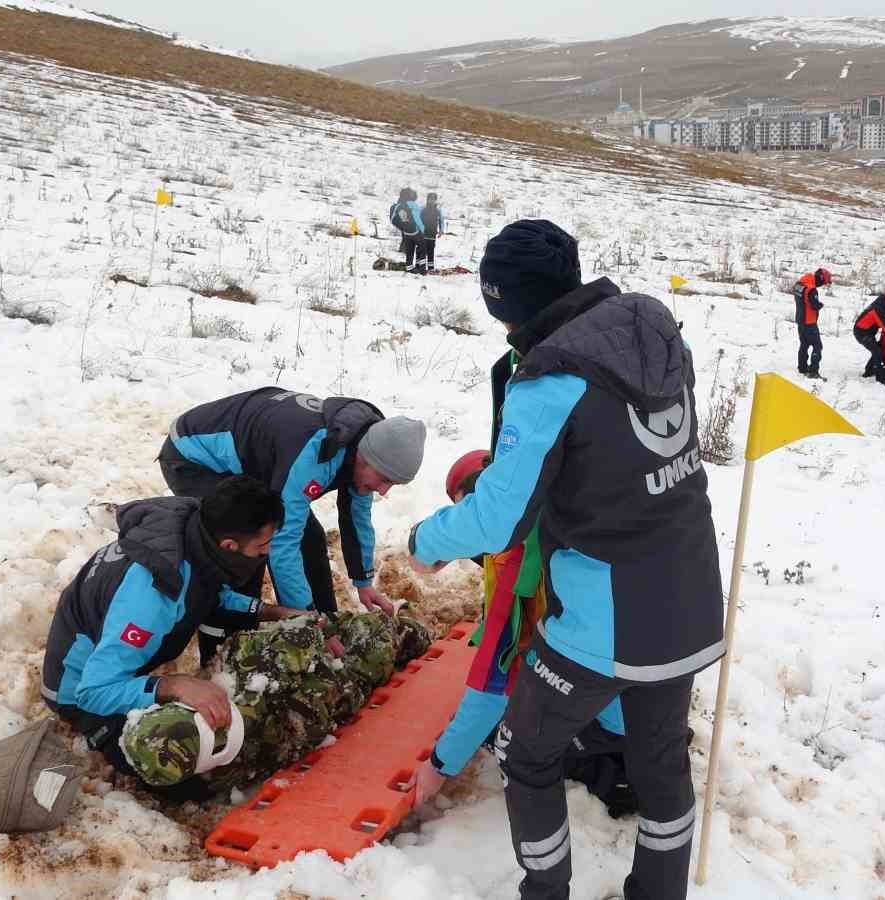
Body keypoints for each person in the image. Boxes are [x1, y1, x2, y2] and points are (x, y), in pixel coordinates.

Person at [408, 219, 723, 900]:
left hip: (608, 616)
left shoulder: (549, 378)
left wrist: (425, 543)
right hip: (693, 593)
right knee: (662, 763)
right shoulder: (653, 325)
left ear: (502, 303)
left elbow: (499, 518)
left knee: (525, 751)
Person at [39, 477, 299, 798]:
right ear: (229, 546)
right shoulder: (151, 594)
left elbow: (207, 594)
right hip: (77, 691)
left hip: (115, 662)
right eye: (262, 547)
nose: (268, 552)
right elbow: (93, 691)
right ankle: (108, 737)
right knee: (186, 769)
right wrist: (172, 686)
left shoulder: (194, 532)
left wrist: (267, 611)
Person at [410, 451, 635, 817]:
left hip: (617, 726)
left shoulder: (519, 569)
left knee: (504, 733)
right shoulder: (561, 513)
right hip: (654, 688)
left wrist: (439, 765)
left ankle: (614, 768)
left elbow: (496, 681)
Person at [158, 388, 426, 616]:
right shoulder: (313, 453)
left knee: (311, 540)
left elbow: (357, 520)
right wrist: (302, 616)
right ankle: (224, 645)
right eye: (384, 480)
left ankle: (328, 621)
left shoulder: (364, 445)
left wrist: (363, 581)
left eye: (392, 484)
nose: (383, 491)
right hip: (194, 458)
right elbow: (282, 543)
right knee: (247, 546)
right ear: (365, 457)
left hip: (253, 465)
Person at [119, 609, 435, 791]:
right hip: (338, 687)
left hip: (328, 675)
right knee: (379, 645)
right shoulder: (223, 754)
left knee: (378, 638)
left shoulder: (253, 669)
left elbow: (301, 633)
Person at [853, 290, 885, 385]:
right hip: (861, 332)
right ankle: (879, 377)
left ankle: (868, 371)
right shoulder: (878, 310)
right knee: (877, 351)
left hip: (868, 331)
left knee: (878, 349)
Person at [792, 267, 831, 379]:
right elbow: (814, 305)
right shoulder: (811, 289)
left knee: (804, 344)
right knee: (817, 346)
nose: (822, 285)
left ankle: (802, 367)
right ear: (821, 278)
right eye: (824, 282)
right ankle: (813, 371)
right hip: (809, 322)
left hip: (800, 320)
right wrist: (820, 305)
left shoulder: (800, 284)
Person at [389, 188, 424, 271]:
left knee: (407, 237)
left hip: (401, 224)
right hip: (410, 227)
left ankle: (409, 263)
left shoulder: (399, 204)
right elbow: (416, 219)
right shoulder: (409, 205)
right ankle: (418, 265)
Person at [418, 192, 445, 274]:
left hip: (432, 234)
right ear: (427, 199)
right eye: (430, 199)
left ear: (435, 200)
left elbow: (441, 221)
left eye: (433, 199)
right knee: (422, 251)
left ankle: (430, 268)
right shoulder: (422, 209)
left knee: (431, 252)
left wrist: (441, 230)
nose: (432, 200)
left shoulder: (438, 211)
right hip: (423, 234)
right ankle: (421, 268)